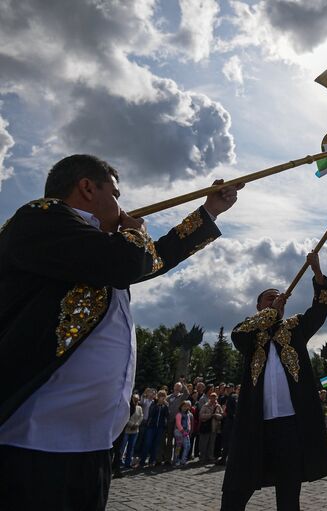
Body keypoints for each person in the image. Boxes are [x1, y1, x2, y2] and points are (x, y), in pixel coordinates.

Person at [0, 154, 241, 509]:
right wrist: (132, 232)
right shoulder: (40, 217)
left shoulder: (96, 246)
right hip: (35, 441)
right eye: (115, 194)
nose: (120, 205)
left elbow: (149, 259)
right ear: (86, 187)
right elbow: (131, 259)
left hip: (89, 444)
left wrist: (209, 213)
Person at [221, 253, 327, 511]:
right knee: (236, 490)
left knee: (289, 493)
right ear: (259, 306)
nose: (276, 299)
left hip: (290, 424)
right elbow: (237, 336)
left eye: (278, 296)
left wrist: (317, 274)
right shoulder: (247, 332)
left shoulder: (295, 328)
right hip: (255, 424)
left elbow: (320, 309)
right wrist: (271, 314)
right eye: (269, 297)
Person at [139, 390, 169, 467]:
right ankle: (142, 461)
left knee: (156, 445)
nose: (162, 398)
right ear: (158, 397)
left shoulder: (165, 406)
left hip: (160, 427)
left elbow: (167, 416)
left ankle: (152, 461)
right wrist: (157, 405)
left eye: (163, 396)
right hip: (151, 426)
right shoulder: (153, 404)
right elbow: (151, 413)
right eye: (160, 396)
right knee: (147, 443)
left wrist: (166, 406)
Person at [198, 392, 224, 463]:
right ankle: (202, 458)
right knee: (204, 443)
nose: (213, 398)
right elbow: (201, 415)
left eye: (215, 397)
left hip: (214, 428)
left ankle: (210, 457)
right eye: (212, 397)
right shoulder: (205, 405)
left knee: (212, 444)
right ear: (209, 398)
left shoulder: (218, 406)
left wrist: (216, 416)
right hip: (206, 427)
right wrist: (210, 415)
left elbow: (222, 415)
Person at [216, 384, 238, 465]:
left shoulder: (234, 397)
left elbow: (235, 410)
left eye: (229, 388)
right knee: (226, 441)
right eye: (227, 388)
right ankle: (224, 458)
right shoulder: (229, 397)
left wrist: (232, 416)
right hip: (228, 421)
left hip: (230, 422)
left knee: (227, 441)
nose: (227, 389)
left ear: (233, 388)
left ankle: (224, 459)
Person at [121, 393, 144, 468]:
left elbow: (141, 416)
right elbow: (125, 417)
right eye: (135, 399)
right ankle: (118, 461)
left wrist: (137, 424)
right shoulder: (128, 407)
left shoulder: (139, 408)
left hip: (135, 431)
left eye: (137, 399)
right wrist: (131, 424)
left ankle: (128, 463)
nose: (136, 400)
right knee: (123, 447)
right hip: (127, 430)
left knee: (131, 447)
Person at [174, 400, 194, 466]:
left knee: (187, 446)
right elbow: (178, 424)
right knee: (178, 447)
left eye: (186, 406)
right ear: (181, 407)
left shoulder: (188, 414)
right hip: (179, 432)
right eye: (184, 406)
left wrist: (189, 430)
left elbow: (189, 423)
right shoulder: (179, 414)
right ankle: (176, 460)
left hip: (186, 433)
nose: (185, 408)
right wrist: (183, 431)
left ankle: (183, 460)